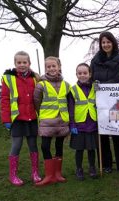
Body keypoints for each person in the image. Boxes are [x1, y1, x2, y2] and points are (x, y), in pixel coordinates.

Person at [0, 51, 42, 186]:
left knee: (33, 145)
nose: (22, 65)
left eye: (25, 62)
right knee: (16, 145)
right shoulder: (8, 78)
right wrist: (6, 119)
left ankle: (35, 173)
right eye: (19, 62)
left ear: (29, 63)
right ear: (15, 63)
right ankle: (13, 175)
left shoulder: (35, 79)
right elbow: (5, 100)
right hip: (17, 119)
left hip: (32, 118)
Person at [90, 31, 119, 174]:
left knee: (118, 133)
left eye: (108, 42)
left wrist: (107, 85)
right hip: (101, 101)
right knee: (103, 134)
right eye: (103, 42)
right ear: (100, 44)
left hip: (117, 101)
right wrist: (94, 83)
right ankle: (105, 164)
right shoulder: (95, 60)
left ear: (113, 43)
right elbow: (91, 77)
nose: (106, 45)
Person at [34, 56, 71, 186]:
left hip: (62, 120)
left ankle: (58, 174)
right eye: (48, 67)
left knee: (59, 146)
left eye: (54, 66)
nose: (51, 68)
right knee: (45, 146)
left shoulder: (66, 85)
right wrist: (43, 114)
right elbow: (36, 101)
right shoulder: (41, 85)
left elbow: (69, 102)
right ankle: (49, 175)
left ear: (59, 67)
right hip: (47, 121)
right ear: (46, 69)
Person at [68, 63, 98, 180]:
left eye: (85, 73)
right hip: (79, 124)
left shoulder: (94, 88)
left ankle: (92, 167)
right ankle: (79, 168)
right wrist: (72, 124)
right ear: (76, 75)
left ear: (90, 74)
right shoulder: (73, 90)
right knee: (79, 149)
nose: (82, 75)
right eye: (79, 73)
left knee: (91, 148)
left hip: (92, 123)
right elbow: (71, 108)